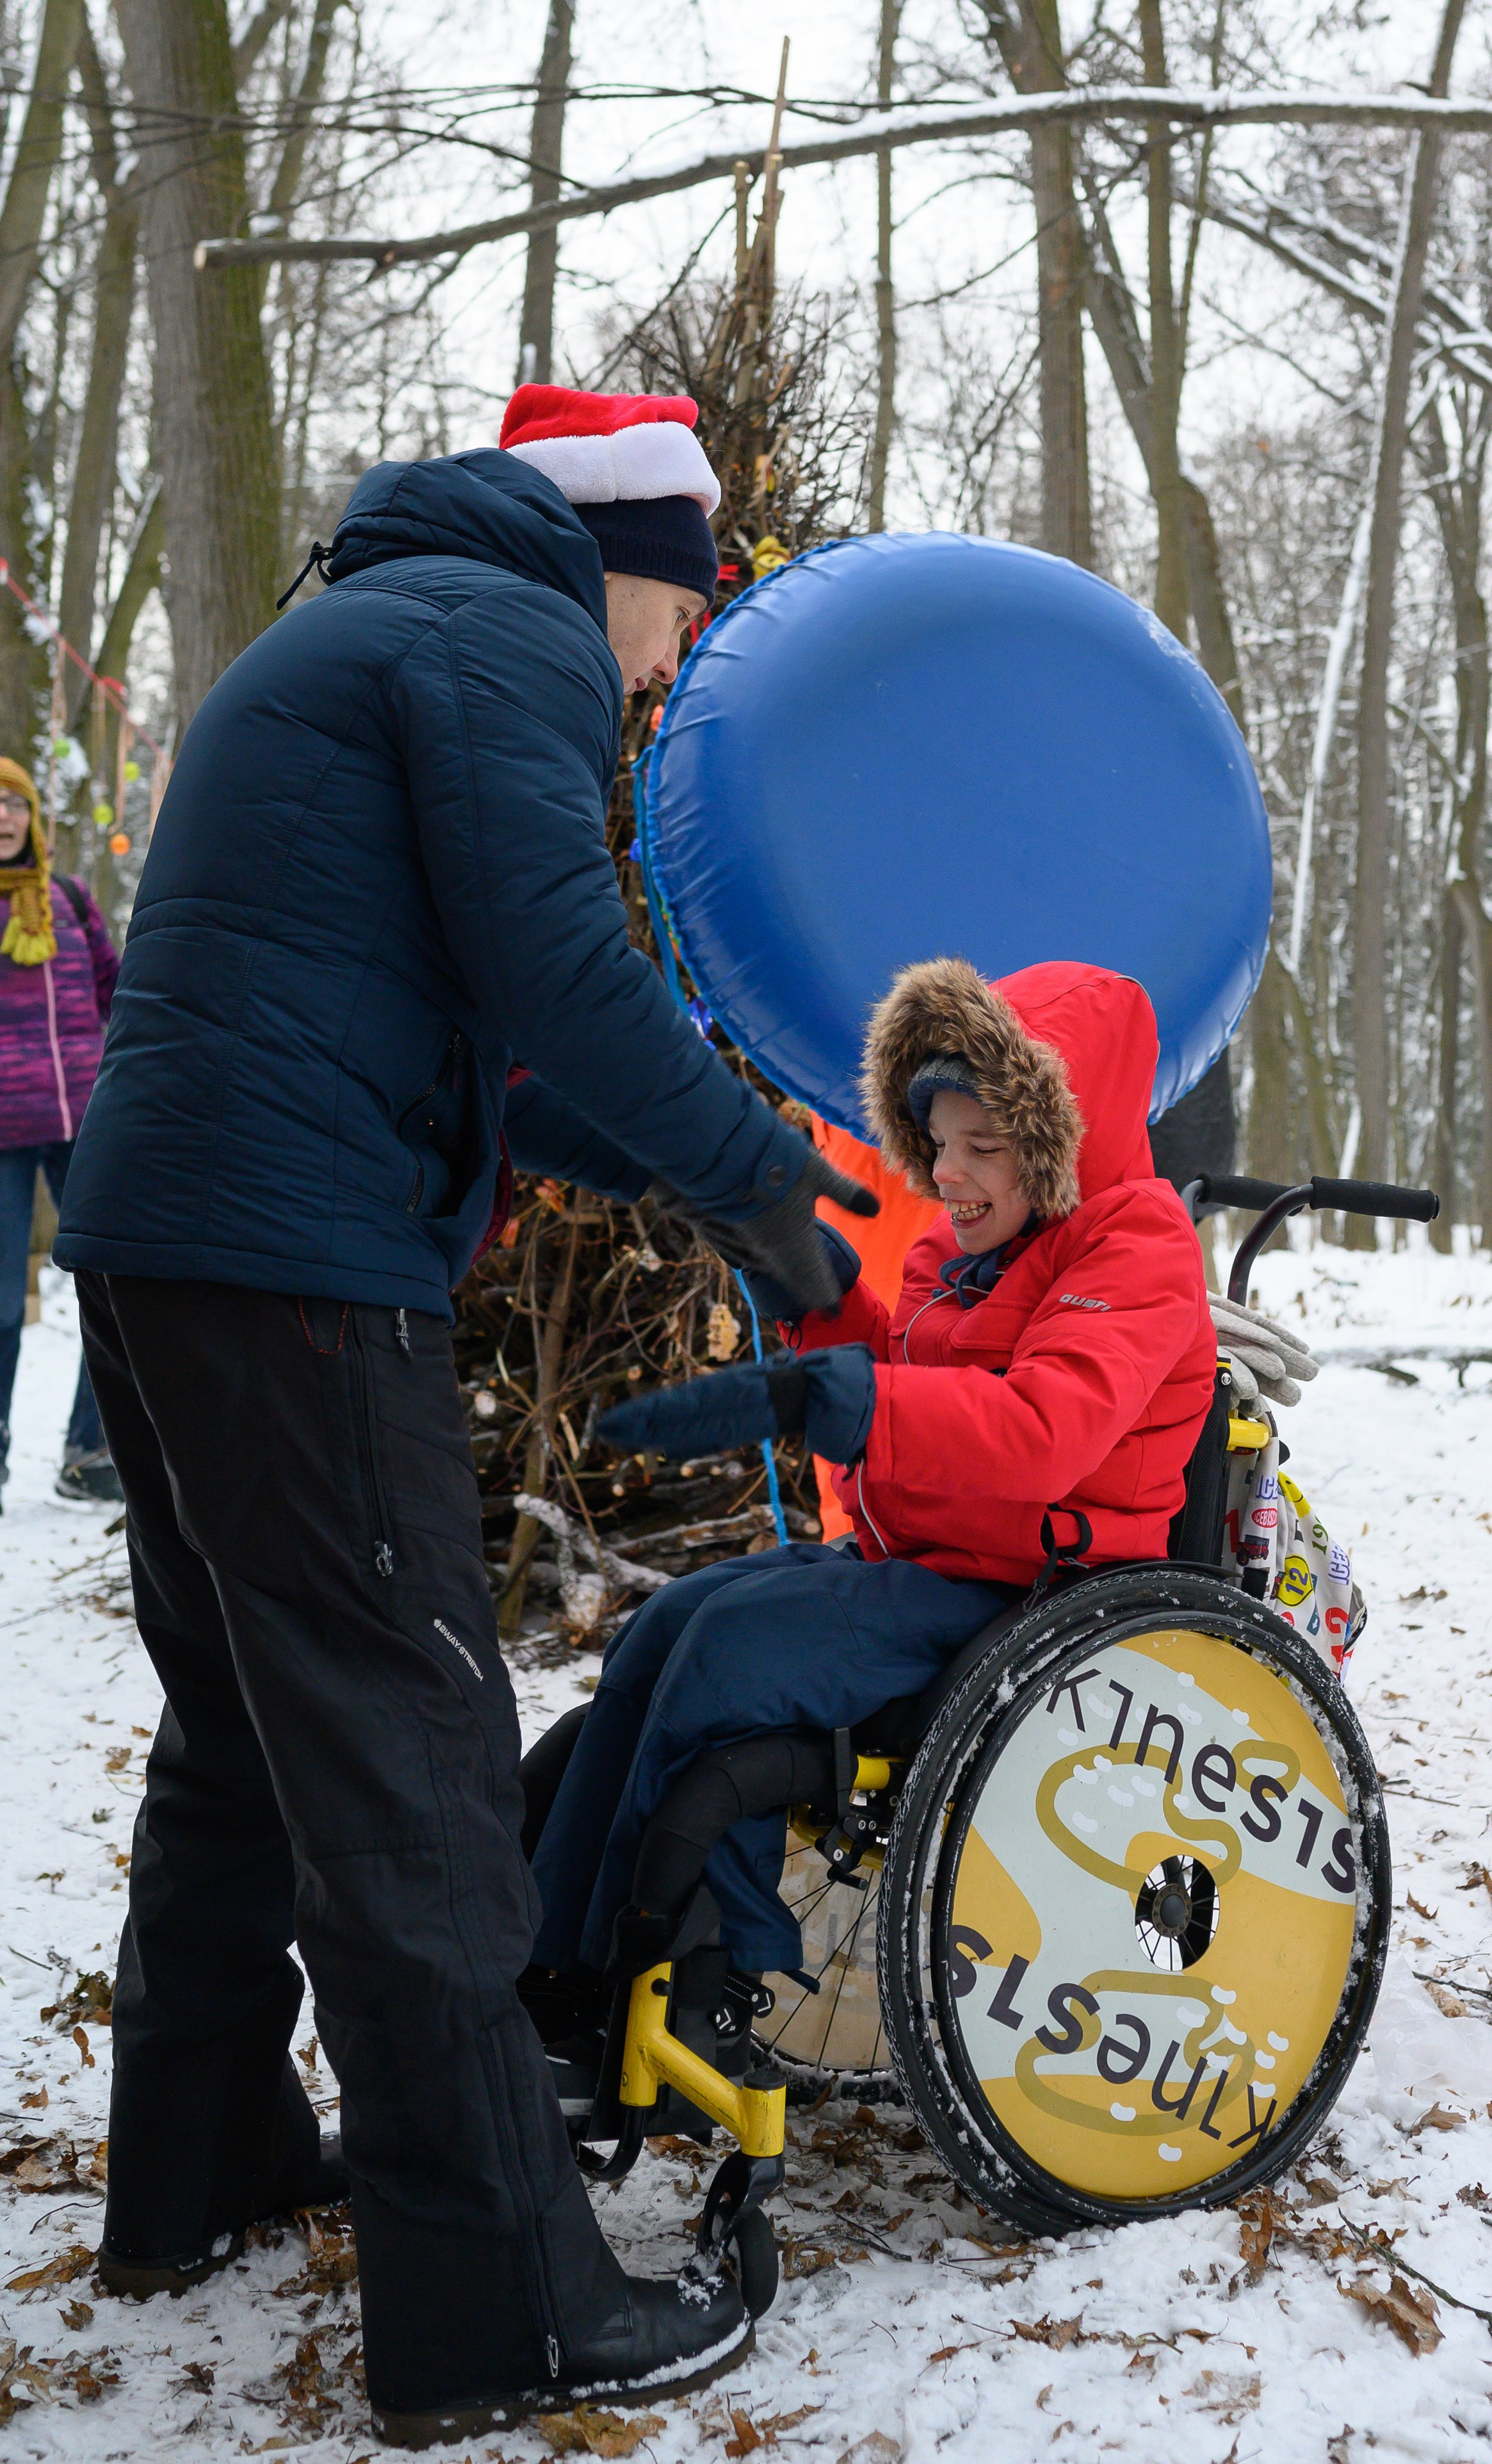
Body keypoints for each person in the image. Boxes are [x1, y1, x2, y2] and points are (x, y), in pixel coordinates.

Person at [53, 385, 876, 2447]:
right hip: (299, 1254)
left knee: (247, 1724)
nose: (676, 662)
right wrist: (764, 1190)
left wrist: (716, 1150)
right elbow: (565, 965)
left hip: (167, 1233)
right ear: (629, 567)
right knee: (411, 1745)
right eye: (681, 616)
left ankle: (198, 2160)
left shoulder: (376, 621)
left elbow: (509, 1055)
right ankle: (504, 2299)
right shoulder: (503, 633)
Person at [523, 957, 1217, 2041]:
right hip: (927, 1561)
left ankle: (665, 1977)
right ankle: (540, 1947)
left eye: (987, 1146)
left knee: (734, 1655)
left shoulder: (1137, 1247)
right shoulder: (961, 1241)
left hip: (1034, 1596)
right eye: (938, 1143)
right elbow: (895, 1370)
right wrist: (811, 1287)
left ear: (1059, 1144)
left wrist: (848, 1398)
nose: (951, 1174)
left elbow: (1043, 1431)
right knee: (666, 1626)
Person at [0, 757, 120, 1507]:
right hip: (3, 1133)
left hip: (84, 1121)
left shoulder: (70, 900)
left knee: (110, 1289)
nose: (2, 818)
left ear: (33, 817)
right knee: (3, 1302)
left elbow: (117, 989)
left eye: (14, 804)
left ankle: (90, 1448)